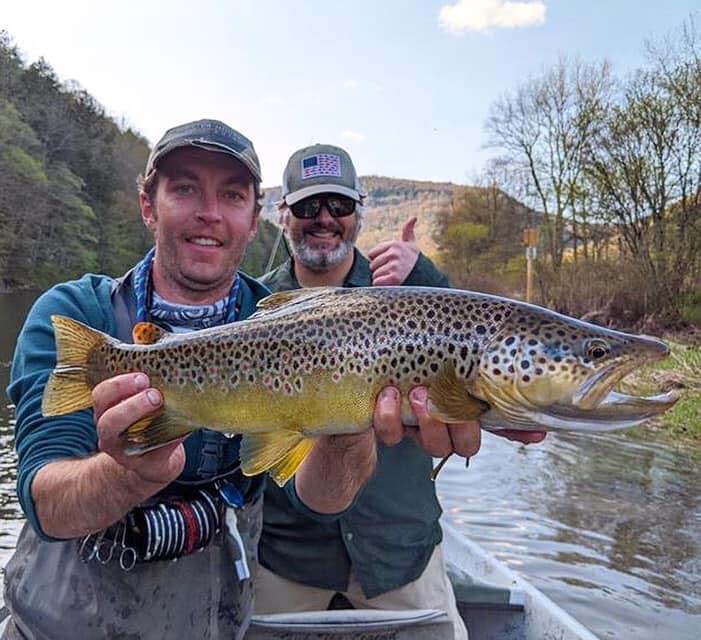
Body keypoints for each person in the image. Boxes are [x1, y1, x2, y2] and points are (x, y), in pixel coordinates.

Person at [1, 121, 473, 640]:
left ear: (253, 221)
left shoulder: (279, 319)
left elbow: (320, 498)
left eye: (231, 195)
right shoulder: (78, 313)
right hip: (62, 624)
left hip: (214, 623)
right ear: (147, 206)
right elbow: (45, 502)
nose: (209, 212)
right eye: (185, 188)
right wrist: (130, 474)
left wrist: (346, 419)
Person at [255, 144, 545, 640]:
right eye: (307, 207)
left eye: (339, 206)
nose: (324, 219)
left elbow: (526, 423)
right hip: (287, 554)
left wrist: (429, 276)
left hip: (401, 550)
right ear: (283, 216)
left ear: (359, 215)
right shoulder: (254, 307)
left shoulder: (411, 289)